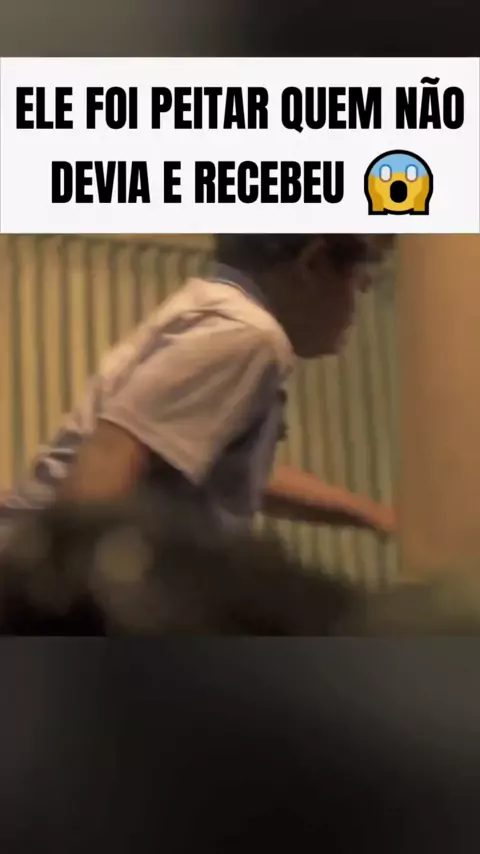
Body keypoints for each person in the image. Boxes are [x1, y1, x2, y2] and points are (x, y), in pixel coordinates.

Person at [0, 234, 395, 542]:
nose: (356, 304)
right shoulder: (246, 334)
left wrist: (369, 514)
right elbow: (108, 458)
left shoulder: (216, 310)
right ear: (313, 263)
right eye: (361, 282)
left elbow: (221, 471)